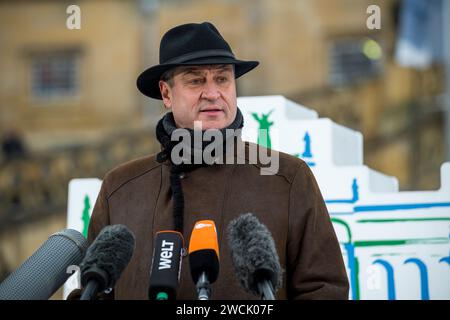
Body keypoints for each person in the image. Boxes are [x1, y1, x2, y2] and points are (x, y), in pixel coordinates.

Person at [86, 22, 349, 300]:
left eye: (222, 79)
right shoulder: (120, 188)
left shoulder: (287, 177)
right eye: (196, 80)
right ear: (166, 93)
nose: (213, 93)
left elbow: (324, 289)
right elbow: (92, 291)